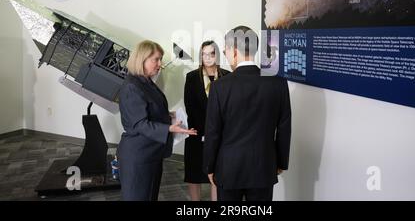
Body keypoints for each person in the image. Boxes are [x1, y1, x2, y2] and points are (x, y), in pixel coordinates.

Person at [203, 26, 291, 201]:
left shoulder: (220, 87)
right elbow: (284, 128)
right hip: (264, 166)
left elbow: (213, 132)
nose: (226, 56)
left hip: (228, 168)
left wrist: (209, 167)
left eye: (225, 51)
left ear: (234, 51)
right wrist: (281, 162)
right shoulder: (278, 83)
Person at [118, 40, 197, 201]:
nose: (160, 64)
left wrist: (169, 115)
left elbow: (148, 111)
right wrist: (169, 128)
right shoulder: (132, 86)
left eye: (160, 59)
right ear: (142, 59)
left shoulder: (145, 82)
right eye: (156, 59)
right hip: (138, 156)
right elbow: (140, 123)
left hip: (151, 153)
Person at [184, 41, 230, 201]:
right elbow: (189, 106)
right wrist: (203, 131)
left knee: (216, 174)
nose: (208, 57)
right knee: (194, 173)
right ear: (200, 56)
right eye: (204, 54)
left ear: (217, 55)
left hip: (220, 133)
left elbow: (229, 107)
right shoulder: (191, 77)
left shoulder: (227, 76)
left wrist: (217, 130)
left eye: (212, 53)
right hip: (197, 131)